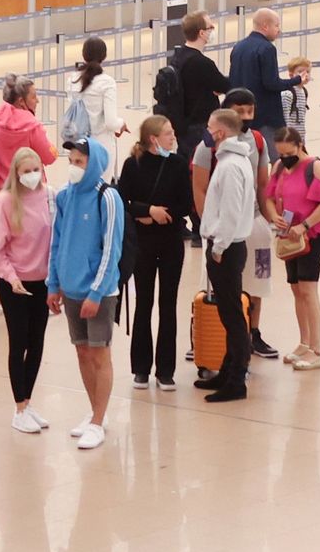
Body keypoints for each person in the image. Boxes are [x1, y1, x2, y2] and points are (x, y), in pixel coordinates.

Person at [46, 135, 124, 446]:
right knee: (81, 351)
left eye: (81, 161)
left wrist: (96, 292)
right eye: (72, 161)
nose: (74, 166)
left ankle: (98, 419)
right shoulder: (65, 196)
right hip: (70, 288)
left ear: (94, 165)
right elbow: (57, 242)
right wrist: (54, 283)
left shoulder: (107, 197)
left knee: (99, 353)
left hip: (99, 292)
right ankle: (95, 413)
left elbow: (111, 249)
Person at [117, 116, 191, 390]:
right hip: (143, 243)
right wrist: (148, 211)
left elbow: (184, 204)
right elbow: (122, 200)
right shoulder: (133, 164)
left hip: (171, 240)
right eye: (168, 133)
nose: (173, 137)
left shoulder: (178, 163)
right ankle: (140, 368)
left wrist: (161, 214)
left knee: (168, 305)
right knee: (144, 303)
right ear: (153, 139)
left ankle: (166, 370)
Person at [0, 146, 55, 429]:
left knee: (37, 343)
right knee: (19, 343)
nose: (32, 176)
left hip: (42, 283)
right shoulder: (4, 202)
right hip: (15, 285)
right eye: (26, 171)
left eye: (35, 170)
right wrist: (11, 277)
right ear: (16, 173)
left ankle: (28, 402)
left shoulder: (50, 196)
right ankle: (18, 409)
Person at [261, 126, 320, 370]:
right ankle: (303, 342)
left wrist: (304, 225)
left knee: (308, 288)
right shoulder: (280, 167)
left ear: (300, 145)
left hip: (311, 235)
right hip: (288, 235)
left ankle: (316, 347)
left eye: (289, 153)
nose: (285, 158)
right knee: (295, 288)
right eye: (280, 154)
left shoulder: (314, 166)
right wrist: (275, 216)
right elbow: (269, 197)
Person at [196, 110, 258, 404]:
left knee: (233, 315)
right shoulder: (230, 161)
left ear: (220, 132)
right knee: (227, 312)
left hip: (228, 247)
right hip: (226, 245)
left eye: (210, 128)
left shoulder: (231, 165)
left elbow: (231, 211)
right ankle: (228, 368)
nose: (207, 132)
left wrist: (218, 247)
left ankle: (237, 379)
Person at [229, 8, 304, 140]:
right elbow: (271, 83)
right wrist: (296, 80)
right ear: (265, 26)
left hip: (241, 115)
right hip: (264, 117)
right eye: (276, 25)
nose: (278, 30)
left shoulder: (238, 47)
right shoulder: (267, 48)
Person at [161, 12, 232, 146]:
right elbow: (225, 86)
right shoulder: (202, 63)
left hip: (183, 122)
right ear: (201, 33)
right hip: (199, 125)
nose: (213, 30)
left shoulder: (178, 56)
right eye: (210, 27)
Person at [0, 74, 53, 194]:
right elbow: (50, 157)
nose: (37, 100)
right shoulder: (31, 126)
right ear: (21, 101)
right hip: (28, 192)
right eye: (33, 97)